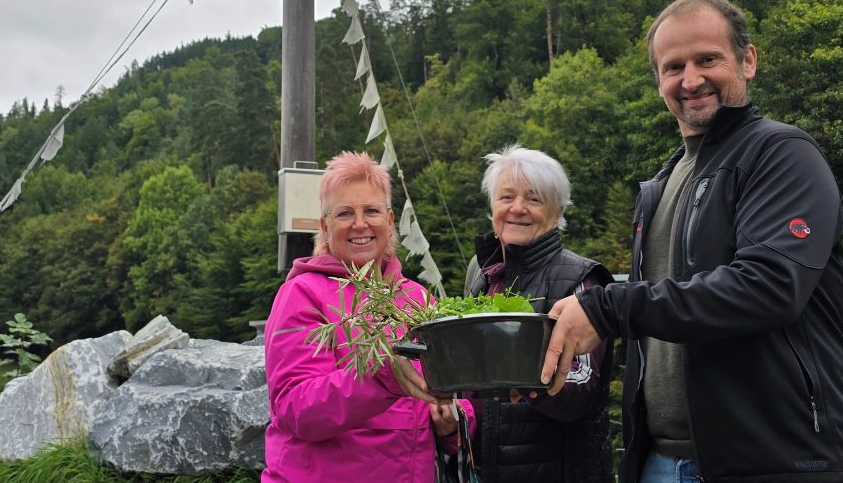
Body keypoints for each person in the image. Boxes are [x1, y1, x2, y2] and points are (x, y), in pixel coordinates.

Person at [542, 0, 843, 482]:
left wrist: (607, 308)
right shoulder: (659, 186)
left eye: (708, 59)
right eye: (673, 66)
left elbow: (769, 287)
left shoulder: (782, 154)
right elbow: (654, 322)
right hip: (660, 463)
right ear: (659, 82)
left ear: (748, 60)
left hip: (780, 462)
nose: (690, 80)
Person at [262, 151, 474, 483]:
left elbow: (457, 391)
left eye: (371, 211)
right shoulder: (301, 295)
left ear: (389, 222)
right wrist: (383, 377)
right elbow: (296, 408)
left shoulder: (418, 298)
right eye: (345, 213)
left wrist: (452, 422)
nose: (360, 224)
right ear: (325, 226)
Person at [465, 144, 615, 483]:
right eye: (506, 197)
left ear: (558, 210)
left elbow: (581, 389)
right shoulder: (481, 271)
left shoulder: (582, 279)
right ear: (492, 205)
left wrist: (529, 382)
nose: (517, 208)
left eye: (534, 199)